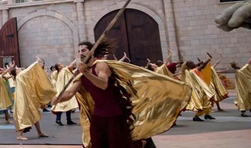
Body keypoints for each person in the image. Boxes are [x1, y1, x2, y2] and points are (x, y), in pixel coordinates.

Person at [53, 40, 190, 148]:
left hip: (114, 115)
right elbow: (70, 92)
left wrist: (87, 73)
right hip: (98, 117)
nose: (80, 53)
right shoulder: (82, 73)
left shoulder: (101, 65)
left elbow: (103, 84)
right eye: (79, 51)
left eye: (83, 50)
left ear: (92, 51)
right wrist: (58, 99)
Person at [13, 57, 52, 141]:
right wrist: (36, 62)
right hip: (23, 100)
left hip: (28, 98)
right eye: (17, 69)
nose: (19, 69)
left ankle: (39, 132)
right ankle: (20, 135)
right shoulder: (20, 76)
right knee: (23, 115)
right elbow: (28, 70)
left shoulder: (23, 76)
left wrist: (41, 66)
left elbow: (33, 74)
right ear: (16, 72)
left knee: (34, 114)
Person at [51, 61, 77, 126]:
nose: (62, 65)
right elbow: (70, 66)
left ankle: (68, 120)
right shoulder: (64, 70)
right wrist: (76, 60)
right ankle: (58, 119)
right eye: (60, 65)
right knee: (61, 106)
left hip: (61, 90)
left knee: (68, 105)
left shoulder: (55, 73)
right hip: (62, 90)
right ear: (58, 67)